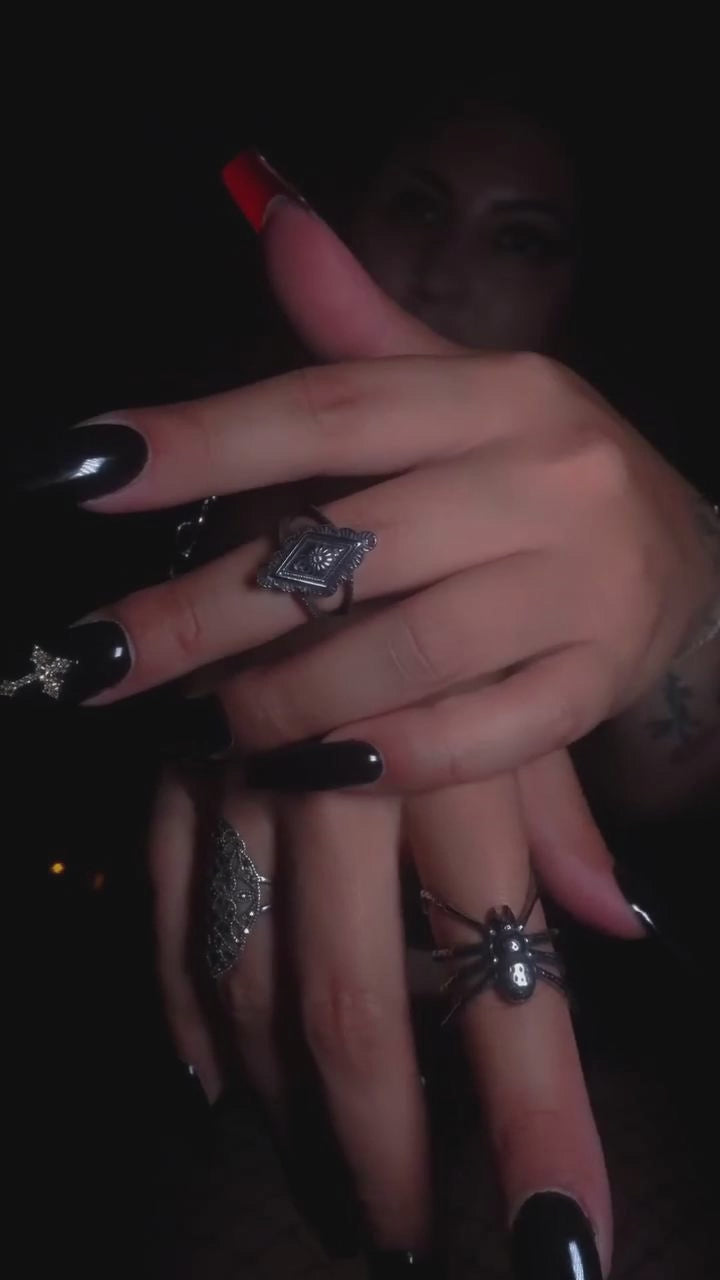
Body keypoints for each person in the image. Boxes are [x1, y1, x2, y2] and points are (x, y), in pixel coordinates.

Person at [4, 100, 718, 1279]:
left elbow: (672, 760)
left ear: (575, 289)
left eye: (521, 237)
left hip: (609, 1059)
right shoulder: (172, 454)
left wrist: (684, 567)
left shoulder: (624, 484)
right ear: (346, 218)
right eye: (418, 206)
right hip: (235, 1062)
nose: (447, 267)